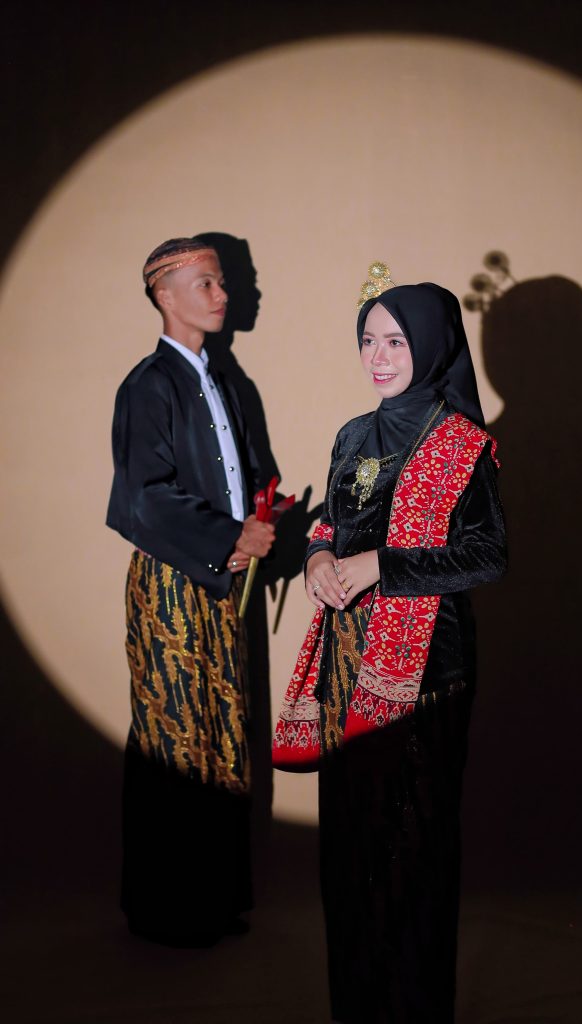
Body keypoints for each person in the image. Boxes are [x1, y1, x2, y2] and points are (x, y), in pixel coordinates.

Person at [273, 271, 507, 1022]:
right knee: (348, 849)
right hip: (346, 668)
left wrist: (384, 565)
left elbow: (489, 554)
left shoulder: (464, 445)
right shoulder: (352, 434)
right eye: (368, 340)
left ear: (432, 345)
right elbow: (329, 525)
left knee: (412, 847)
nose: (377, 357)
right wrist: (317, 559)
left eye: (396, 342)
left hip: (425, 672)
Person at [107, 237, 276, 946]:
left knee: (222, 731)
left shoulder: (227, 384)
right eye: (206, 283)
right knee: (176, 737)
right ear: (164, 295)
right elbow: (142, 500)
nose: (223, 294)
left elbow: (250, 478)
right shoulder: (148, 386)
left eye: (222, 282)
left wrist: (263, 525)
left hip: (220, 581)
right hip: (172, 584)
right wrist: (230, 537)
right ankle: (166, 910)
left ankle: (212, 901)